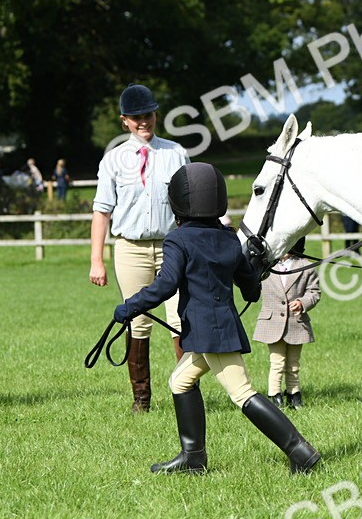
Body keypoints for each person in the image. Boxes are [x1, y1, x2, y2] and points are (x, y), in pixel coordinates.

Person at [112, 163, 320, 475]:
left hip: (211, 333)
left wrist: (129, 307)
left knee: (242, 393)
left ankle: (300, 451)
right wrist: (251, 273)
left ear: (179, 201)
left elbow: (165, 285)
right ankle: (193, 457)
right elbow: (250, 288)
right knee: (180, 381)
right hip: (217, 328)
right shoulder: (228, 238)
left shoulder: (177, 240)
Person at [90, 83, 189, 412]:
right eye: (135, 118)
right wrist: (97, 261)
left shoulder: (175, 153)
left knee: (180, 319)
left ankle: (184, 391)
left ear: (156, 115)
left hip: (172, 245)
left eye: (147, 115)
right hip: (130, 248)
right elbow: (102, 211)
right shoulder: (114, 159)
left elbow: (190, 201)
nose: (143, 122)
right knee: (138, 319)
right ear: (125, 121)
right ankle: (141, 398)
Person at [253, 238, 321, 410]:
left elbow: (314, 292)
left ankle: (294, 394)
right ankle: (274, 395)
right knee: (277, 362)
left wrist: (303, 302)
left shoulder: (306, 266)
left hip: (296, 323)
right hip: (272, 322)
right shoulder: (266, 265)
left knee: (293, 363)